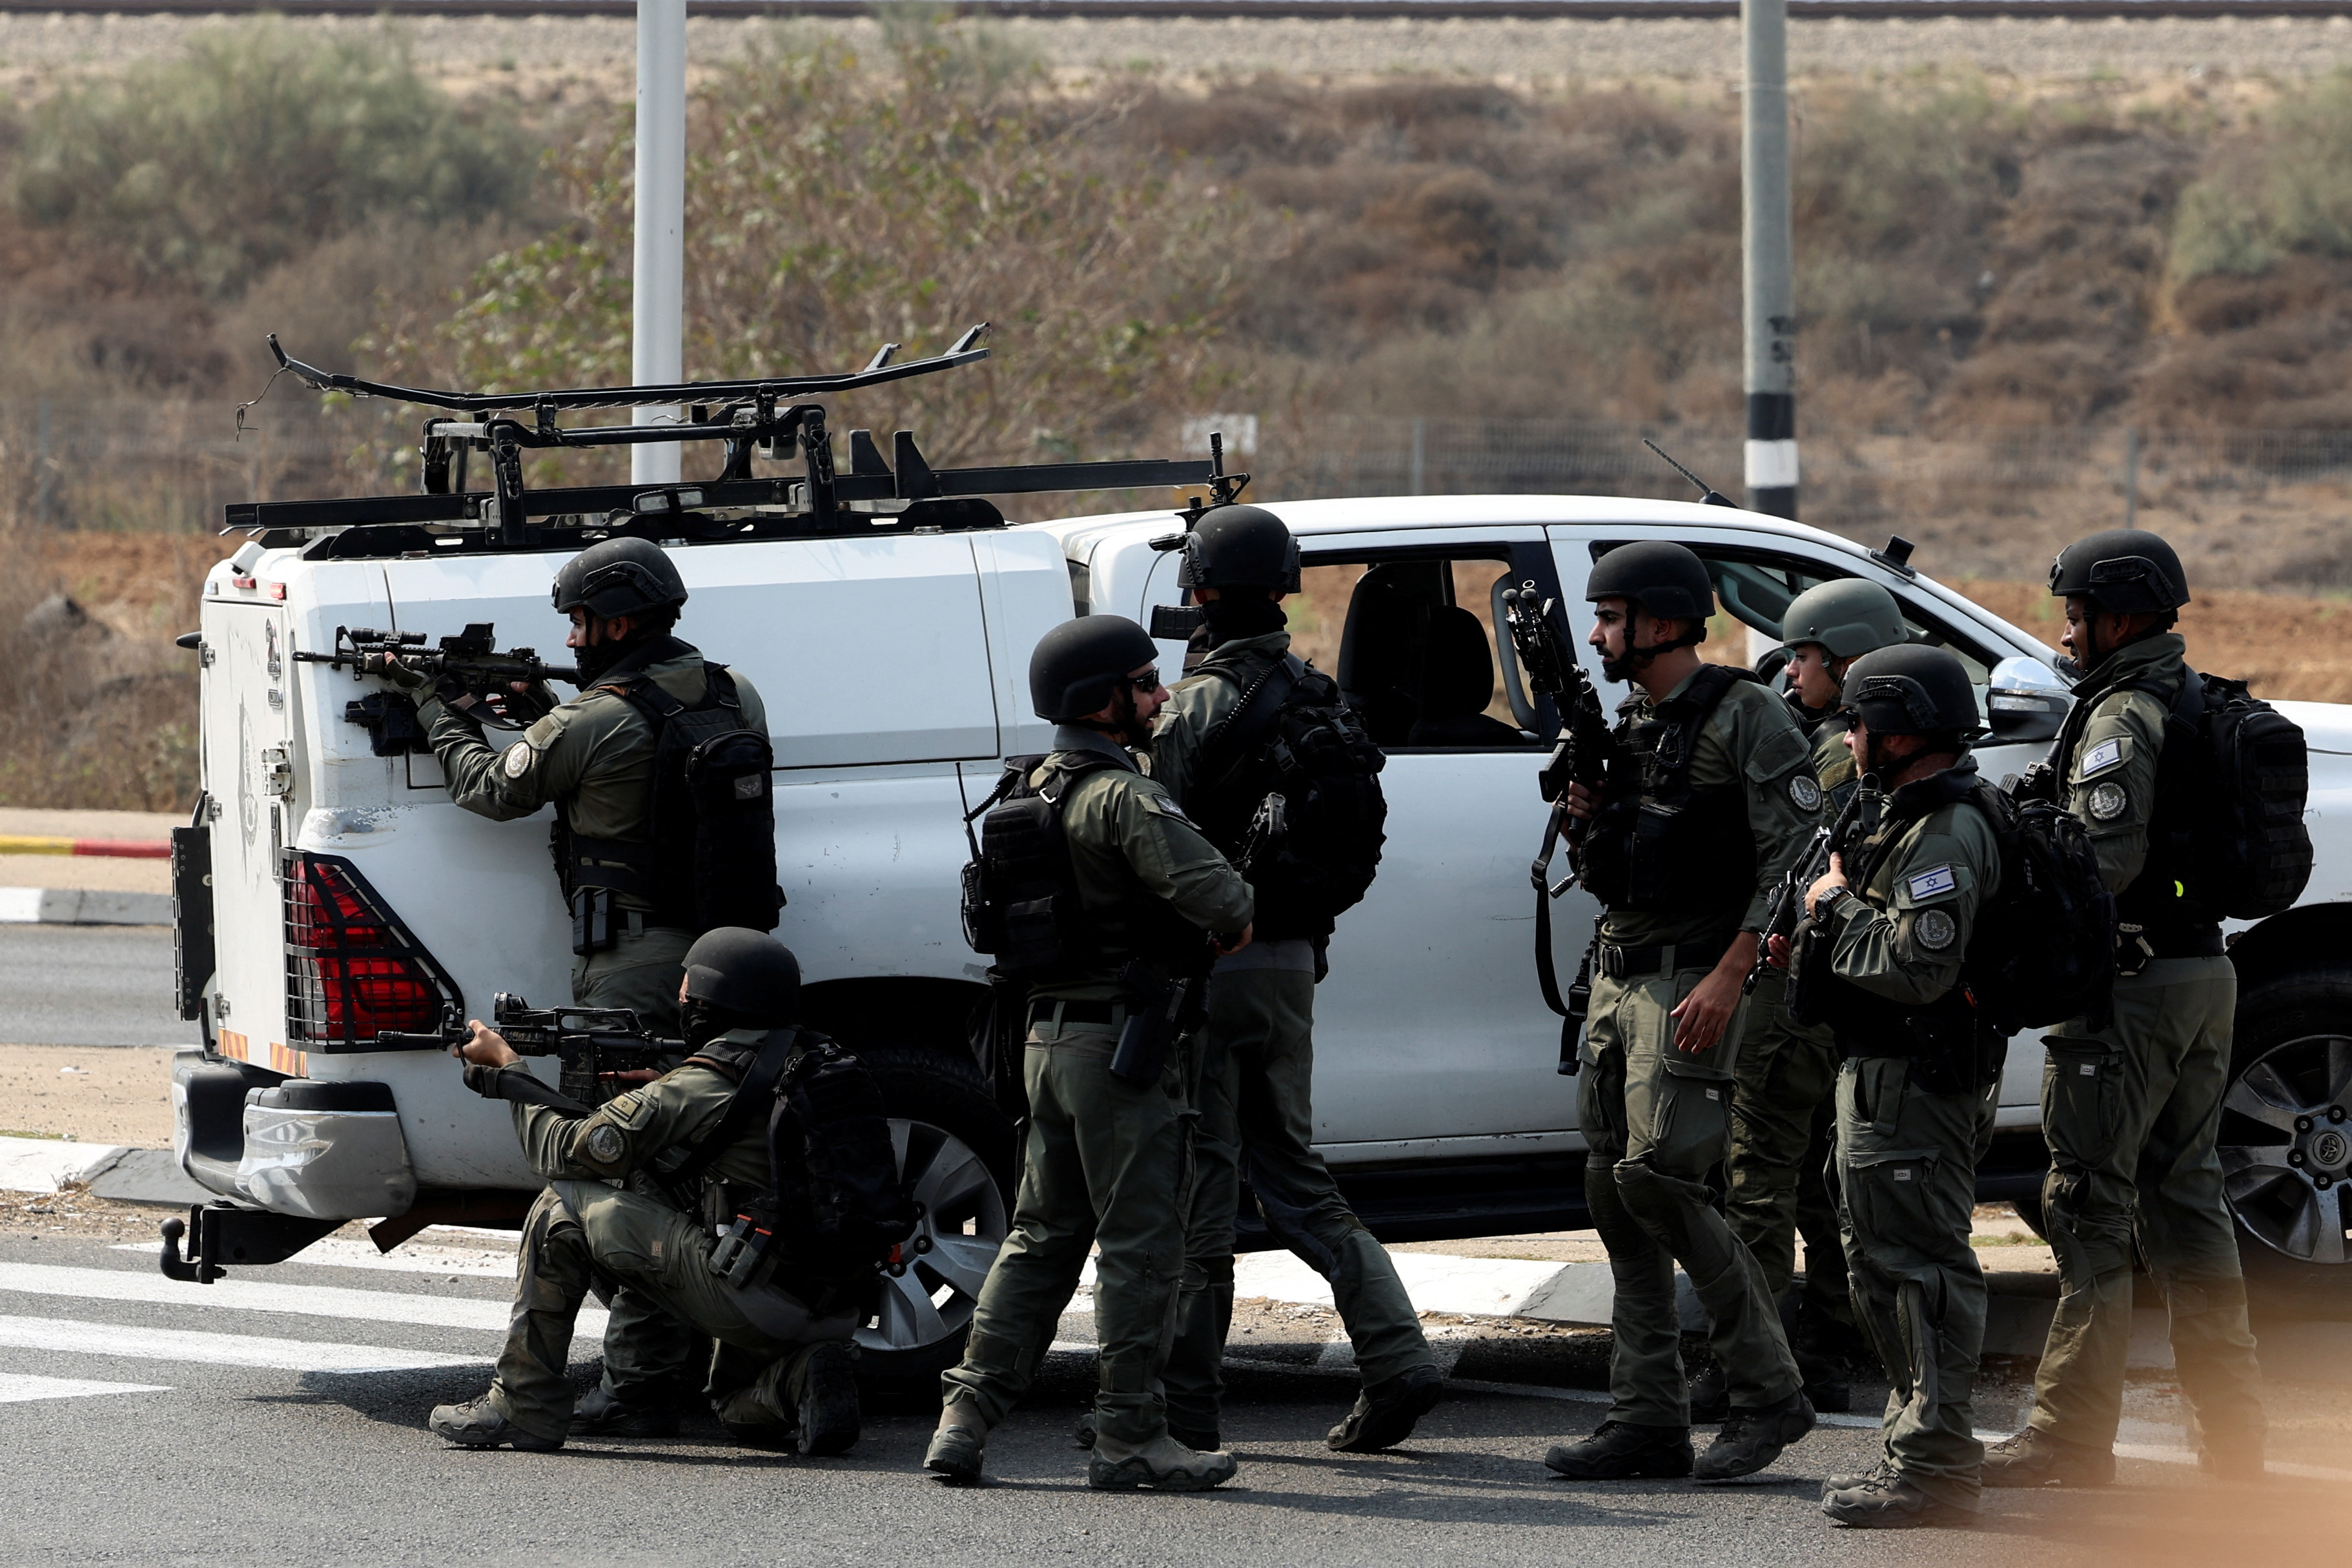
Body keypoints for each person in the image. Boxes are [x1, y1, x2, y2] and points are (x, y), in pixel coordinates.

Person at [387, 536, 774, 1441]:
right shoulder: (732, 690)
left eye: (580, 619)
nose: (569, 636)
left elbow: (490, 789)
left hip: (632, 963)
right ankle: (667, 1373)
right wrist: (548, 706)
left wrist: (435, 706)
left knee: (615, 1166)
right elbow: (649, 749)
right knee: (687, 1166)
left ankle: (638, 1385)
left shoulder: (590, 721)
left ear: (621, 619)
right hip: (724, 961)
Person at [926, 615, 1256, 1492]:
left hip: (1042, 1041)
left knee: (1037, 1237)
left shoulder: (1022, 789)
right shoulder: (1125, 796)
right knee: (1141, 1243)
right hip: (1123, 1050)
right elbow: (1223, 901)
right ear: (1101, 700)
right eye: (1144, 685)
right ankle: (1129, 1435)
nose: (1157, 699)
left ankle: (964, 1418)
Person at [1148, 505, 1445, 1456]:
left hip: (1207, 971)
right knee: (1296, 1180)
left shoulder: (1192, 708)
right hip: (1288, 968)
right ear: (1283, 589)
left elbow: (1153, 845)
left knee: (1202, 1183)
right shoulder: (1321, 699)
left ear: (1196, 592)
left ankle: (1183, 1412)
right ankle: (1397, 1355)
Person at [1984, 529, 2267, 1487]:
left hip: (2129, 993)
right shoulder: (2196, 697)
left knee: (2087, 1210)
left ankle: (2067, 1439)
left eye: (2074, 615)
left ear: (2120, 615)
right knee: (2189, 1203)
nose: (2064, 634)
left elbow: (2105, 864)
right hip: (2203, 979)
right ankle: (2231, 1438)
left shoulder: (2120, 718)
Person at [1542, 540, 1817, 1484]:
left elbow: (1793, 857)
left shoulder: (1746, 717)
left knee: (1658, 1175)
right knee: (1611, 1193)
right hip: (1619, 976)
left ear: (1661, 622)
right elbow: (1613, 864)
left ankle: (1765, 1390)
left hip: (1692, 976)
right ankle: (1645, 1416)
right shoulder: (1628, 721)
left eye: (1610, 618)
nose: (1596, 634)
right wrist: (1587, 816)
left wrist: (1732, 971)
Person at [427, 928, 864, 1456]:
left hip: (757, 1301)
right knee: (733, 1404)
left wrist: (509, 1071)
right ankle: (799, 1377)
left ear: (709, 1007)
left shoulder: (702, 1085)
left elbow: (565, 1151)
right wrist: (662, 1089)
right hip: (836, 1301)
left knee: (561, 1202)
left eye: (686, 996)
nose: (679, 1004)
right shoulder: (817, 1061)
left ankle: (524, 1404)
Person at [1770, 646, 2005, 1528]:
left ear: (1901, 729)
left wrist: (1832, 905)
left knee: (1921, 1272)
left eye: (1860, 722)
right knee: (1883, 1267)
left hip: (1916, 1079)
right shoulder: (1901, 814)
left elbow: (1916, 969)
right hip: (1879, 1078)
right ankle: (1916, 1450)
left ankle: (1938, 1466)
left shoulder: (1945, 830)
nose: (1850, 736)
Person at [1703, 578, 1908, 1420]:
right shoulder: (1883, 742)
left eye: (1804, 656)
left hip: (1791, 982)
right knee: (1825, 1181)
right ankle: (1825, 1343)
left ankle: (1749, 1363)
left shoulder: (1826, 754)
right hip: (1845, 985)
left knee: (1758, 1175)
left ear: (1844, 660)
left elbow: (1788, 864)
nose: (1790, 672)